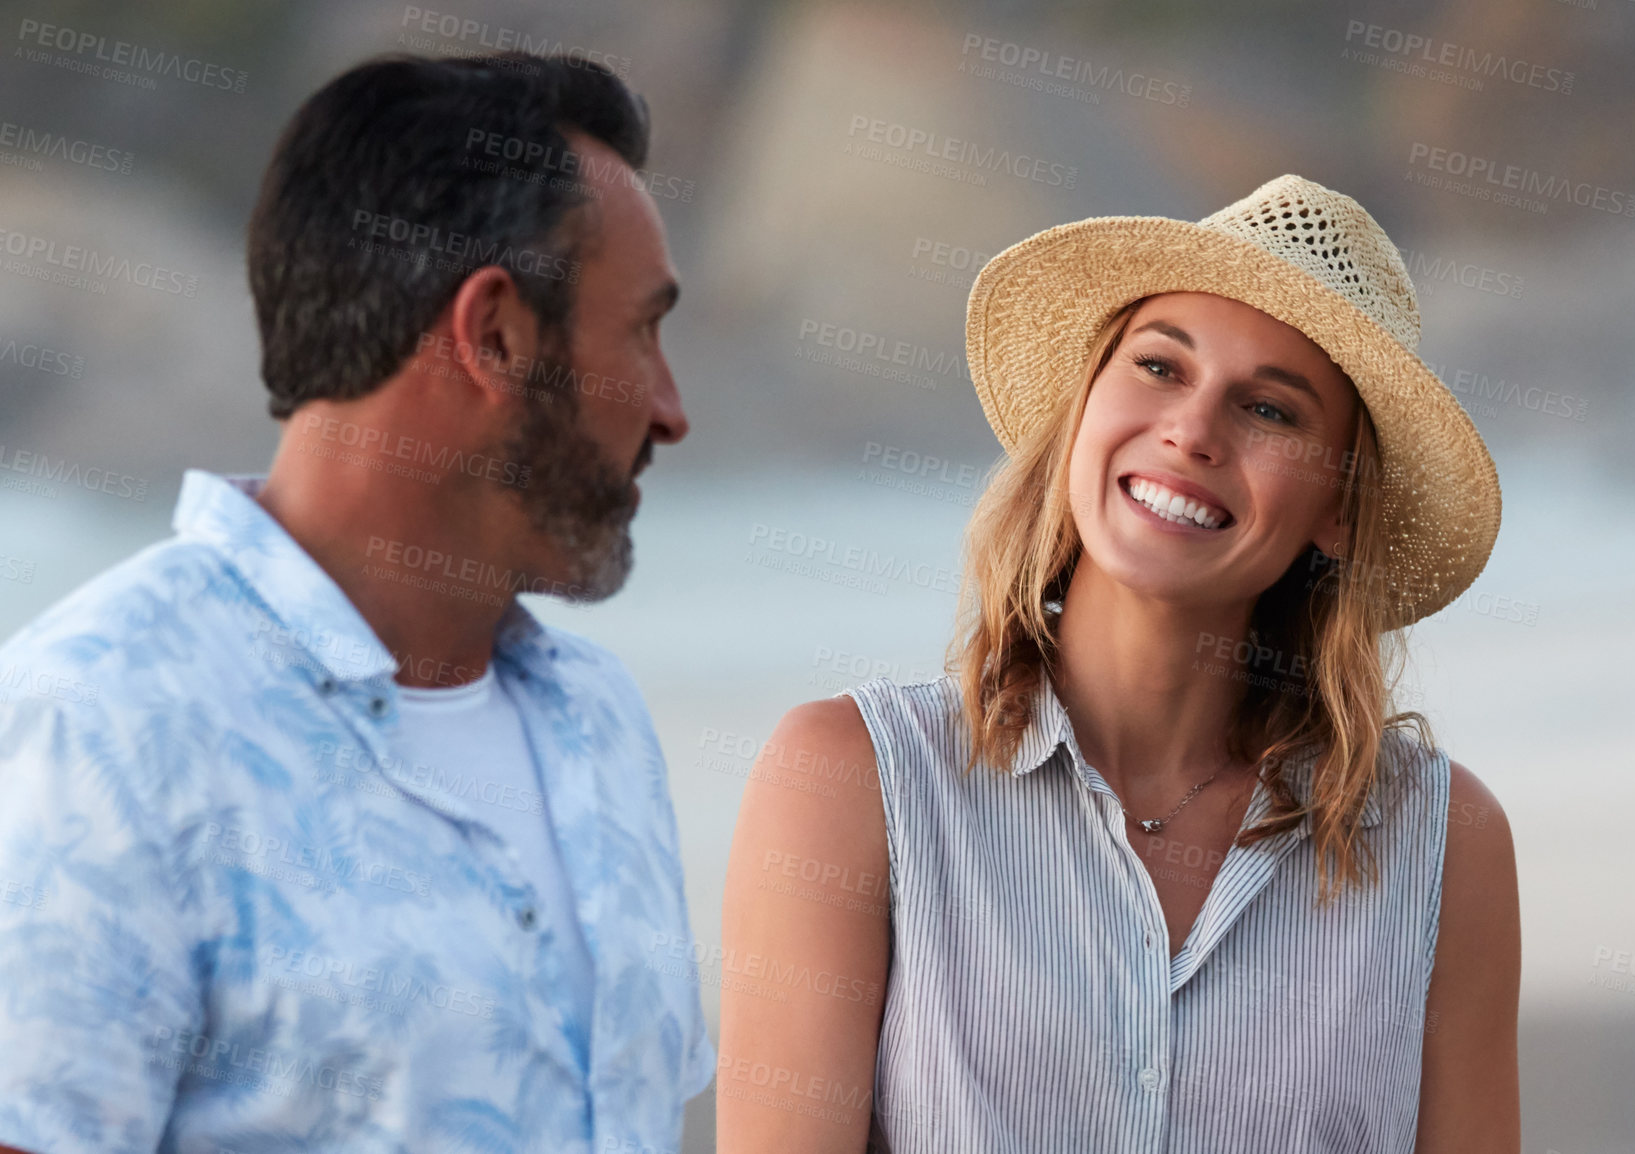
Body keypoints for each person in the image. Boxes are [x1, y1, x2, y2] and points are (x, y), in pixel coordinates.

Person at [0, 51, 713, 1153]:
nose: (671, 411)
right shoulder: (95, 721)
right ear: (495, 335)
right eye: (642, 330)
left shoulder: (600, 718)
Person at [719, 174, 1520, 1152]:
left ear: (1339, 512)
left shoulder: (1443, 844)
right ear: (1083, 407)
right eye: (1158, 365)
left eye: (1270, 411)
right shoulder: (851, 779)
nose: (1190, 430)